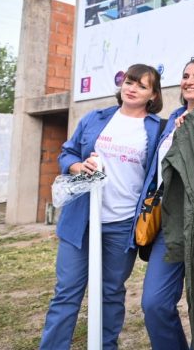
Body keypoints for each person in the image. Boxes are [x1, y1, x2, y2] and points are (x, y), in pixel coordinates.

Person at [40, 64, 163, 349]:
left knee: (110, 293)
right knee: (67, 292)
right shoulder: (95, 118)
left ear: (153, 95)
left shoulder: (157, 128)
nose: (132, 88)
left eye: (142, 86)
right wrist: (77, 165)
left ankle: (106, 345)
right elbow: (67, 151)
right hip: (81, 221)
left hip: (122, 225)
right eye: (130, 82)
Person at [140, 57, 194, 349]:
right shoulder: (169, 121)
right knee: (154, 303)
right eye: (186, 75)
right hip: (169, 224)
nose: (189, 81)